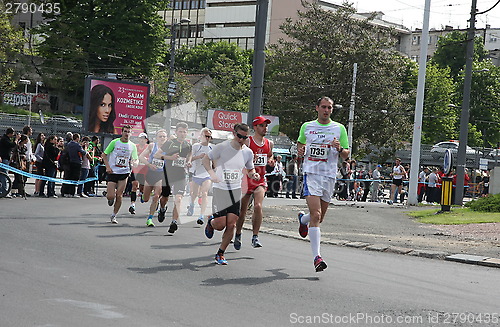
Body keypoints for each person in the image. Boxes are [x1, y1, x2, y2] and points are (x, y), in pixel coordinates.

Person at [296, 96, 349, 272]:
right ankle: (316, 258)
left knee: (318, 218)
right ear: (317, 108)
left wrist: (339, 148)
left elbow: (346, 154)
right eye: (324, 107)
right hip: (311, 174)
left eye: (330, 108)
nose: (326, 110)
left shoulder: (339, 128)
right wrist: (301, 150)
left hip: (329, 176)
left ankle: (303, 220)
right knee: (316, 215)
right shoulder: (307, 126)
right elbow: (300, 144)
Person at [202, 123, 259, 265]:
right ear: (234, 133)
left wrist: (254, 175)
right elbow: (205, 159)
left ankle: (220, 253)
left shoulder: (247, 152)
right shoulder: (222, 147)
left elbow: (250, 169)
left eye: (244, 137)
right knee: (220, 224)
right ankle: (211, 222)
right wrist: (212, 174)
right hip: (220, 189)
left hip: (235, 191)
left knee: (232, 224)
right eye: (239, 136)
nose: (241, 140)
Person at [234, 116, 273, 250]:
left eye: (266, 126)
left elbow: (269, 155)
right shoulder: (248, 142)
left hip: (260, 180)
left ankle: (255, 236)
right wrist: (251, 158)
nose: (265, 128)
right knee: (242, 210)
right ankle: (238, 233)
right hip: (246, 179)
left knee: (258, 206)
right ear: (255, 127)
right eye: (262, 126)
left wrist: (271, 161)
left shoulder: (269, 143)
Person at [157, 122, 192, 234]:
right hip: (168, 174)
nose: (182, 134)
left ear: (187, 133)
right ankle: (162, 209)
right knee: (165, 198)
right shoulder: (170, 143)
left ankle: (174, 222)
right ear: (176, 132)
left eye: (184, 132)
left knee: (178, 199)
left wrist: (189, 161)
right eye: (180, 131)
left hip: (181, 175)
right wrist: (170, 157)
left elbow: (190, 154)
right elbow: (157, 155)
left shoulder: (188, 145)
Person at [102, 125, 138, 224]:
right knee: (110, 196)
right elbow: (104, 155)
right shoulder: (115, 142)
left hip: (124, 172)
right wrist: (107, 167)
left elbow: (135, 158)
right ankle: (110, 198)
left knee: (120, 195)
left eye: (128, 132)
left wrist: (135, 163)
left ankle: (114, 215)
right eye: (125, 131)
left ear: (131, 133)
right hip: (113, 172)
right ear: (122, 132)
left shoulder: (132, 146)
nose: (127, 134)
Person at [139, 129, 170, 227]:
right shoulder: (152, 146)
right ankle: (144, 196)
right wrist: (149, 164)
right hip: (150, 174)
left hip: (161, 174)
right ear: (157, 138)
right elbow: (141, 157)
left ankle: (150, 218)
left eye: (164, 136)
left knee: (156, 196)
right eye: (160, 136)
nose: (162, 138)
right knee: (146, 198)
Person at [187, 127, 214, 225]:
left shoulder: (212, 147)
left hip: (207, 174)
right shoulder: (196, 146)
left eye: (209, 137)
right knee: (194, 193)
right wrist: (196, 158)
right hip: (196, 173)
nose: (207, 138)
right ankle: (191, 205)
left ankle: (201, 215)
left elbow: (215, 160)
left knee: (204, 193)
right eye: (206, 136)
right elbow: (190, 157)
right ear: (201, 136)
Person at [128, 132, 149, 215]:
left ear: (146, 140)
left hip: (145, 170)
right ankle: (132, 205)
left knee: (142, 187)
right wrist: (132, 161)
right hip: (136, 169)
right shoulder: (135, 147)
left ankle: (142, 193)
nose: (142, 140)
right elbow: (130, 156)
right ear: (138, 139)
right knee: (134, 186)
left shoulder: (148, 148)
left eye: (144, 139)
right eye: (141, 138)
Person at [65, 133, 88, 197]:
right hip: (77, 162)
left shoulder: (69, 144)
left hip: (70, 162)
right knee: (75, 178)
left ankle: (68, 192)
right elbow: (83, 152)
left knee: (70, 177)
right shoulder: (77, 145)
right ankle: (72, 193)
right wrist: (85, 149)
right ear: (77, 138)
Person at [0, 127, 19, 198]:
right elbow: (12, 145)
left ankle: (2, 190)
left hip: (6, 158)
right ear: (10, 133)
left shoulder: (6, 139)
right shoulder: (4, 139)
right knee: (4, 174)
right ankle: (4, 191)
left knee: (3, 175)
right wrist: (16, 139)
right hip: (4, 158)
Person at [33, 132, 46, 197]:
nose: (43, 137)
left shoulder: (42, 145)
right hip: (39, 162)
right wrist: (41, 159)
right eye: (42, 136)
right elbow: (36, 154)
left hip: (41, 162)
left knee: (39, 176)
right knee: (40, 176)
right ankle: (37, 190)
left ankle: (37, 190)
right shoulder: (39, 145)